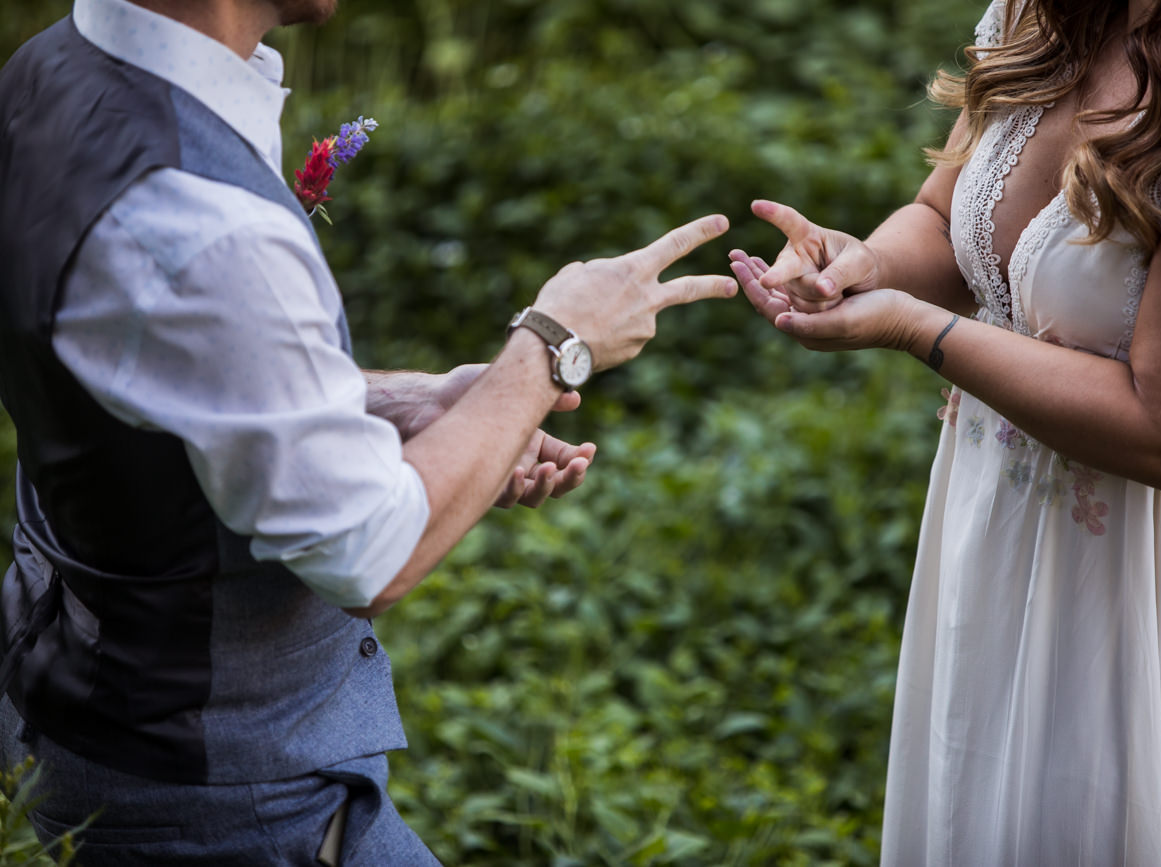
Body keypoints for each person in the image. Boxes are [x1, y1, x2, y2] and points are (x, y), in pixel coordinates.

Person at [0, 0, 736, 862]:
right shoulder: (200, 217)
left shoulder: (52, 69)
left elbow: (159, 365)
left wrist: (410, 402)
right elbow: (364, 551)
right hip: (226, 799)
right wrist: (550, 347)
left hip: (81, 706)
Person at [731, 0, 1161, 862]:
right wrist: (865, 266)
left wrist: (916, 330)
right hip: (997, 543)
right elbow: (941, 214)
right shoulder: (1048, 12)